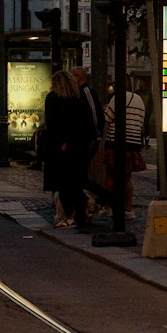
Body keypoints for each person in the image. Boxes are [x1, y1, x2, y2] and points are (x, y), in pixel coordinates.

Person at [43, 69, 89, 229]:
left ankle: (67, 215)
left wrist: (60, 142)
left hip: (60, 148)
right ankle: (78, 213)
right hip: (78, 147)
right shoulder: (77, 99)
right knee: (74, 182)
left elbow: (52, 123)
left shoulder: (53, 98)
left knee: (62, 183)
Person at [103, 77, 147, 219]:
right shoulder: (139, 99)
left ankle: (108, 206)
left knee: (111, 174)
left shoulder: (117, 98)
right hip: (133, 142)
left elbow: (107, 118)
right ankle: (128, 208)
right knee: (127, 177)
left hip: (116, 141)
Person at [71, 65, 109, 212]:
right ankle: (93, 201)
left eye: (73, 76)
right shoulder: (78, 93)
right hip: (84, 140)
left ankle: (103, 197)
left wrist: (95, 136)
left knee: (79, 175)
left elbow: (95, 115)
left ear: (79, 78)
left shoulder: (87, 92)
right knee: (79, 176)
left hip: (88, 141)